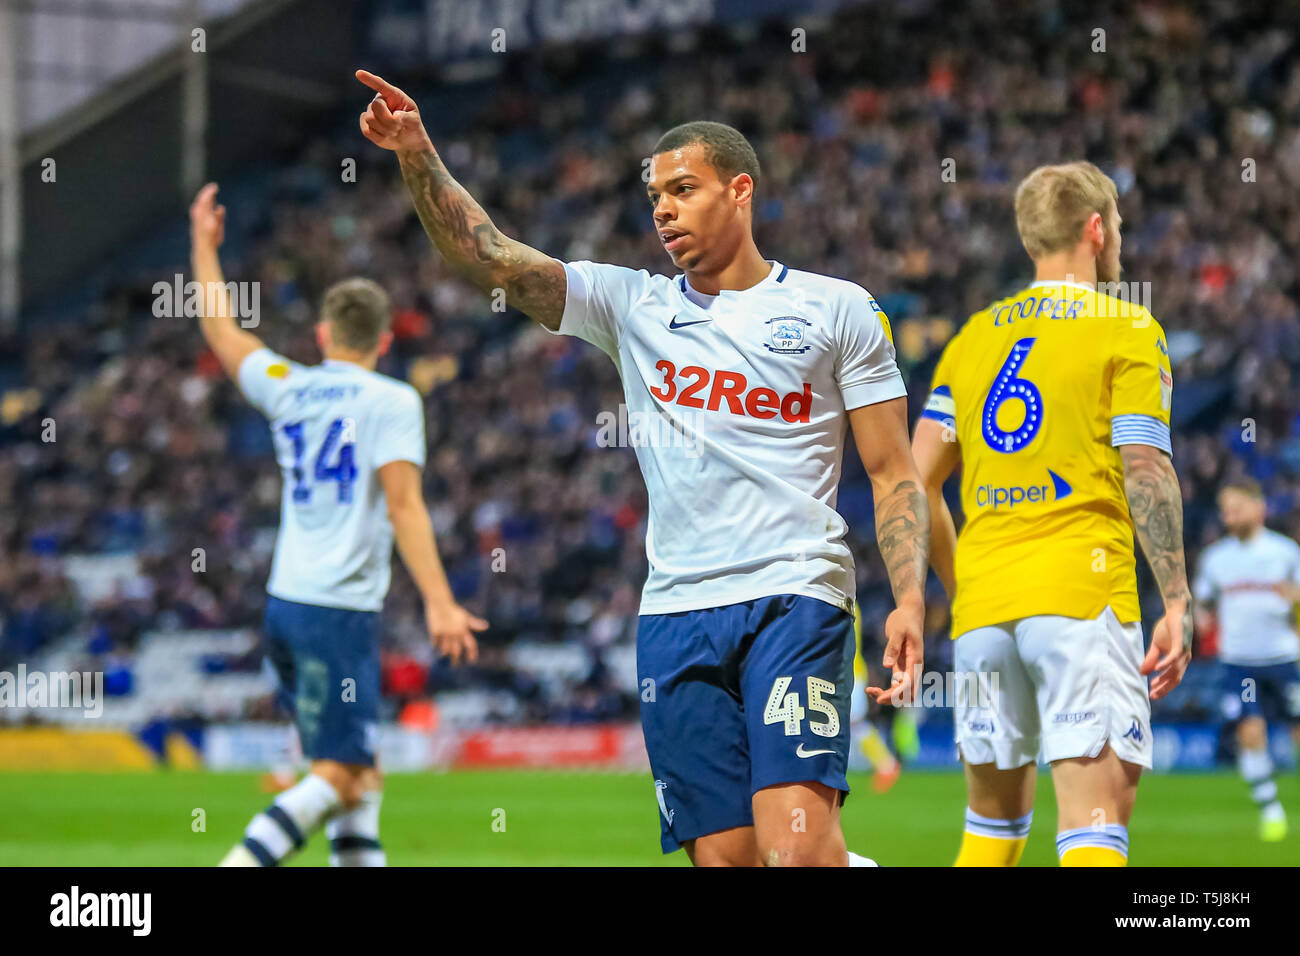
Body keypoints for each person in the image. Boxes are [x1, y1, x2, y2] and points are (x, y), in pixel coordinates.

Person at [356, 69, 930, 866]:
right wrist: (417, 154)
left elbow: (894, 472)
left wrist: (907, 599)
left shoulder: (839, 309)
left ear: (740, 190)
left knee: (793, 852)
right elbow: (490, 258)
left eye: (682, 188)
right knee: (728, 860)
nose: (661, 208)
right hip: (675, 617)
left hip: (794, 599)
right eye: (654, 194)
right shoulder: (630, 304)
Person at [187, 183, 485, 867]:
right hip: (338, 612)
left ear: (322, 336)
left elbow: (223, 332)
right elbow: (405, 505)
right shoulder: (393, 400)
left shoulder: (287, 383)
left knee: (361, 778)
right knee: (341, 775)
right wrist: (441, 602)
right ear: (384, 340)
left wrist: (204, 246)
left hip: (285, 606)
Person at [911, 162, 1193, 867]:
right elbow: (1147, 468)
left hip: (985, 614)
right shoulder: (1126, 325)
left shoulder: (973, 338)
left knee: (990, 836)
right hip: (1079, 599)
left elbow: (914, 483)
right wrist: (1178, 600)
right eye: (1117, 224)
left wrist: (961, 584)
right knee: (1093, 829)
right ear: (1096, 229)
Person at [1194, 479, 1300, 841]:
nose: (1228, 515)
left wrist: (1295, 600)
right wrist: (1199, 618)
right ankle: (1271, 811)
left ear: (1260, 508)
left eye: (1236, 507)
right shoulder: (1215, 558)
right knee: (1250, 731)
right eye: (1224, 509)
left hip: (1284, 659)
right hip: (1239, 662)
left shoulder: (1285, 553)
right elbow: (1202, 603)